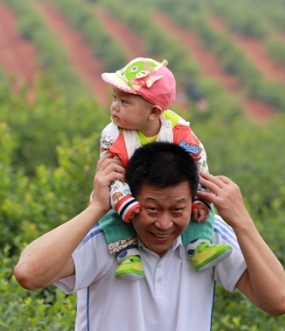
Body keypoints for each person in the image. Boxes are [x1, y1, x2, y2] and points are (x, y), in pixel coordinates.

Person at [14, 142, 285, 331]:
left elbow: (277, 301)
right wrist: (98, 206)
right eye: (152, 208)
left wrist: (241, 221)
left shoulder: (207, 238)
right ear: (130, 200)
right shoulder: (105, 237)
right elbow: (28, 273)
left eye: (177, 209)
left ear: (194, 202)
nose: (164, 223)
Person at [97, 57, 231, 280]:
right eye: (114, 99)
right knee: (109, 215)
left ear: (154, 112)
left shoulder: (178, 130)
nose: (114, 107)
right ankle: (126, 252)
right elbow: (112, 175)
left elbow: (197, 164)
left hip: (166, 196)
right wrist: (123, 202)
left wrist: (201, 199)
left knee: (195, 210)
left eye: (124, 102)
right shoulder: (112, 136)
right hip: (125, 191)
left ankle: (199, 245)